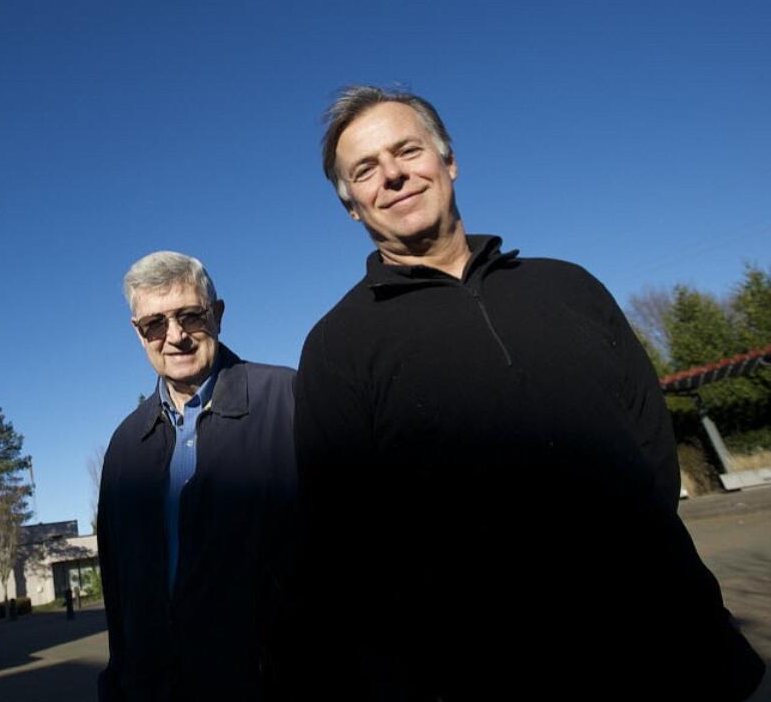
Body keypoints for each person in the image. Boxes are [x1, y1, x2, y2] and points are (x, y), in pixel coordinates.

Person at [294, 86, 765, 701]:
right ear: (353, 206)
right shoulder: (336, 347)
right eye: (365, 170)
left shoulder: (570, 287)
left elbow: (649, 447)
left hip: (688, 651)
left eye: (407, 150)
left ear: (448, 161)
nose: (393, 175)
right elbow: (346, 539)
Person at [97, 251, 297, 701]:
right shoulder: (126, 445)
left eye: (190, 316)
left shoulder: (289, 402)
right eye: (155, 324)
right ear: (138, 332)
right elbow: (117, 588)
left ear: (218, 315)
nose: (175, 337)